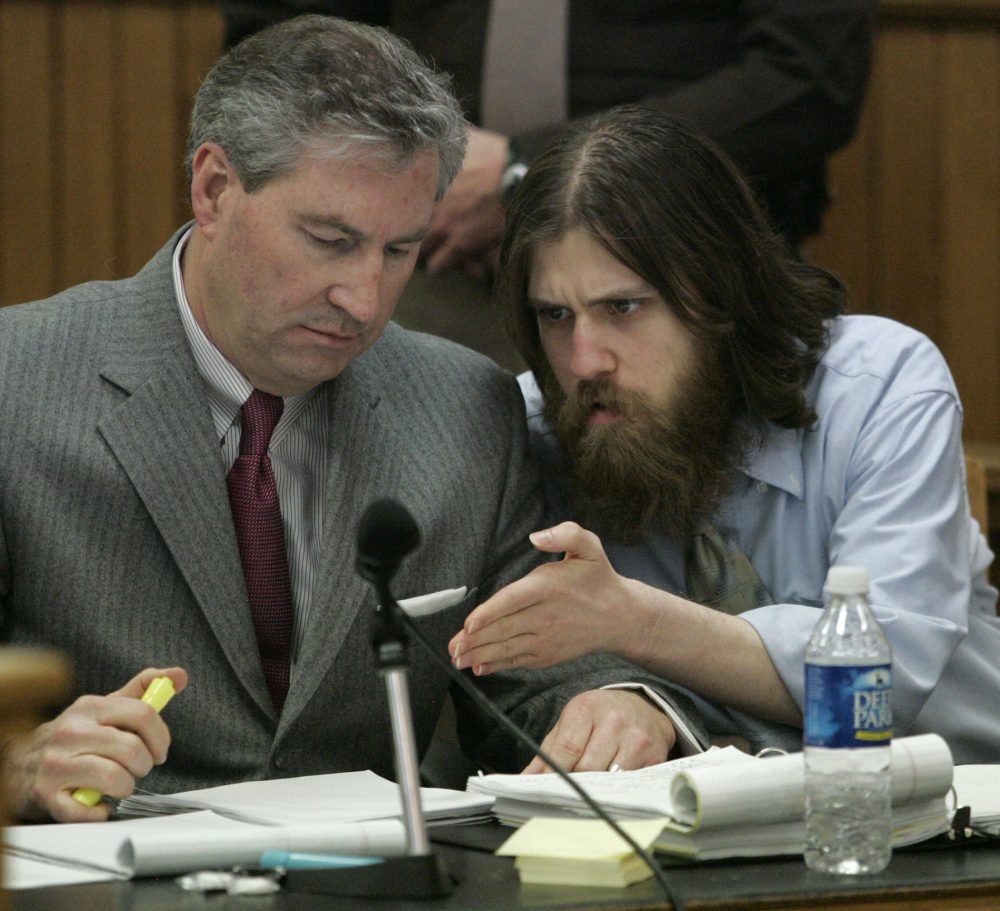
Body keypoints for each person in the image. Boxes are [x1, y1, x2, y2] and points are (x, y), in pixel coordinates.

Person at [0, 19, 702, 824]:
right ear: (215, 188)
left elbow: (531, 678)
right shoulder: (16, 382)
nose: (363, 299)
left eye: (401, 250)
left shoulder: (463, 406)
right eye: (330, 241)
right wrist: (17, 762)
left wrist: (616, 706)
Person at [447, 106, 1000, 764]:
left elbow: (869, 691)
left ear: (719, 293)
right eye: (555, 315)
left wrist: (634, 620)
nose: (585, 358)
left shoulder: (880, 385)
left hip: (951, 816)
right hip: (695, 838)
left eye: (622, 307)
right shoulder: (531, 424)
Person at [220, 1, 877, 369]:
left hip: (681, 268)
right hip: (425, 261)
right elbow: (283, 40)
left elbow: (809, 81)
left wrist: (528, 172)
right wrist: (401, 160)